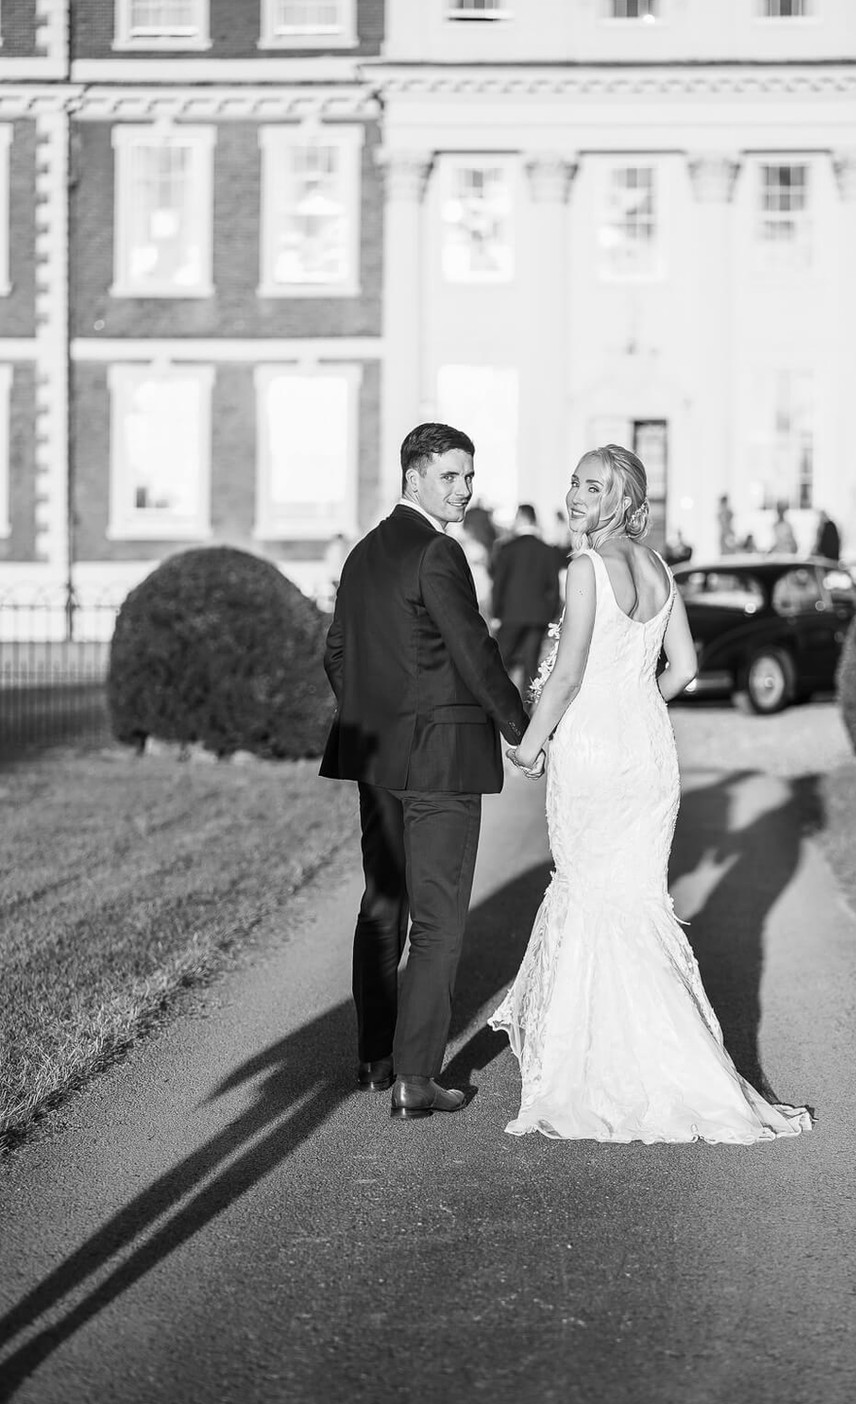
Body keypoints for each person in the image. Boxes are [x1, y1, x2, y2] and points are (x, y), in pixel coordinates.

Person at [489, 444, 812, 1145]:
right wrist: (638, 703)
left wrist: (532, 742)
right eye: (574, 483)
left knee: (589, 895)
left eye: (592, 487)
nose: (576, 496)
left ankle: (592, 1070)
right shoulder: (660, 569)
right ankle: (674, 1068)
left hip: (594, 749)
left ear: (620, 500)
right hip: (647, 750)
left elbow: (568, 674)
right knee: (635, 901)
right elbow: (685, 666)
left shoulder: (584, 567)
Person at [321, 423, 535, 1122]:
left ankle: (374, 1060)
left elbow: (337, 653)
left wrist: (375, 714)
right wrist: (521, 730)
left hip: (377, 758)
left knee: (383, 904)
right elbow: (473, 652)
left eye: (468, 476)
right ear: (413, 476)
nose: (464, 489)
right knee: (438, 921)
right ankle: (415, 1077)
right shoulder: (438, 551)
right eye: (450, 476)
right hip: (438, 761)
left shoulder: (362, 554)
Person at [491, 504, 562, 703]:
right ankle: (526, 709)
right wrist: (549, 614)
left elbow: (499, 584)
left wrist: (496, 614)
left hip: (510, 615)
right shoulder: (548, 550)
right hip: (538, 617)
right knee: (530, 667)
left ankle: (497, 705)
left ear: (522, 517)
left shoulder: (507, 548)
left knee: (498, 664)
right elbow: (554, 587)